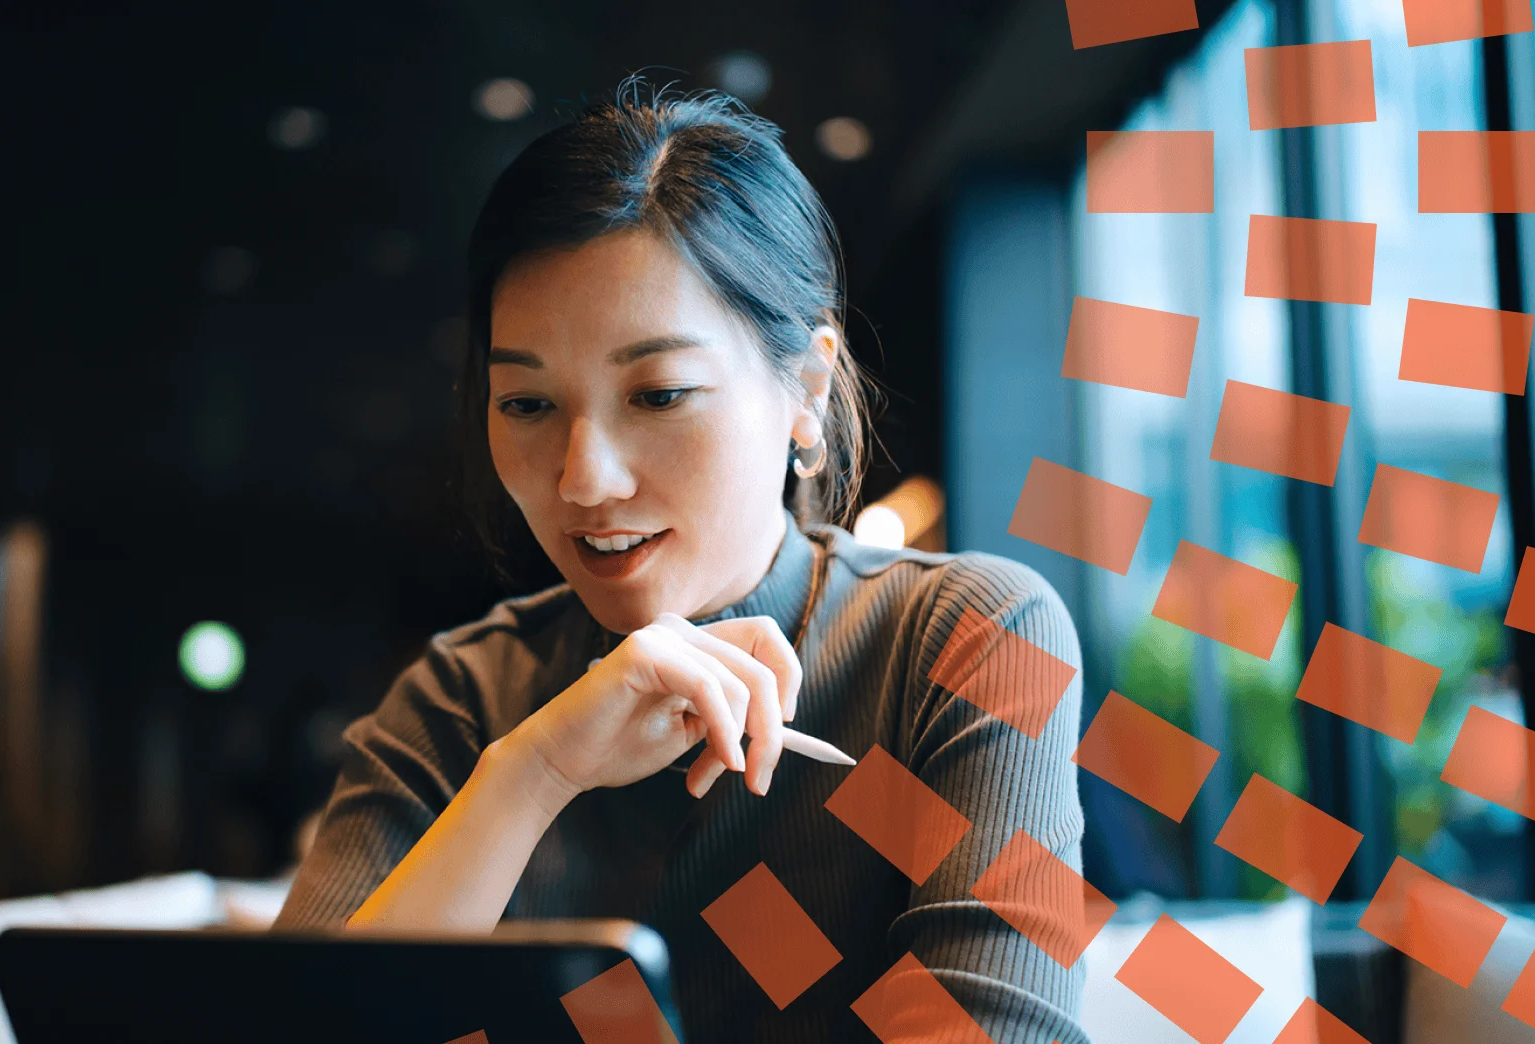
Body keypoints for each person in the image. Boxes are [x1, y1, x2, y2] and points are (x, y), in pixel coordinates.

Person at [274, 83, 1087, 1043]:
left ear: (806, 391)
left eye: (658, 394)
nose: (584, 479)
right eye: (527, 405)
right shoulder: (464, 702)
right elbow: (294, 1026)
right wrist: (534, 772)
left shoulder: (959, 642)